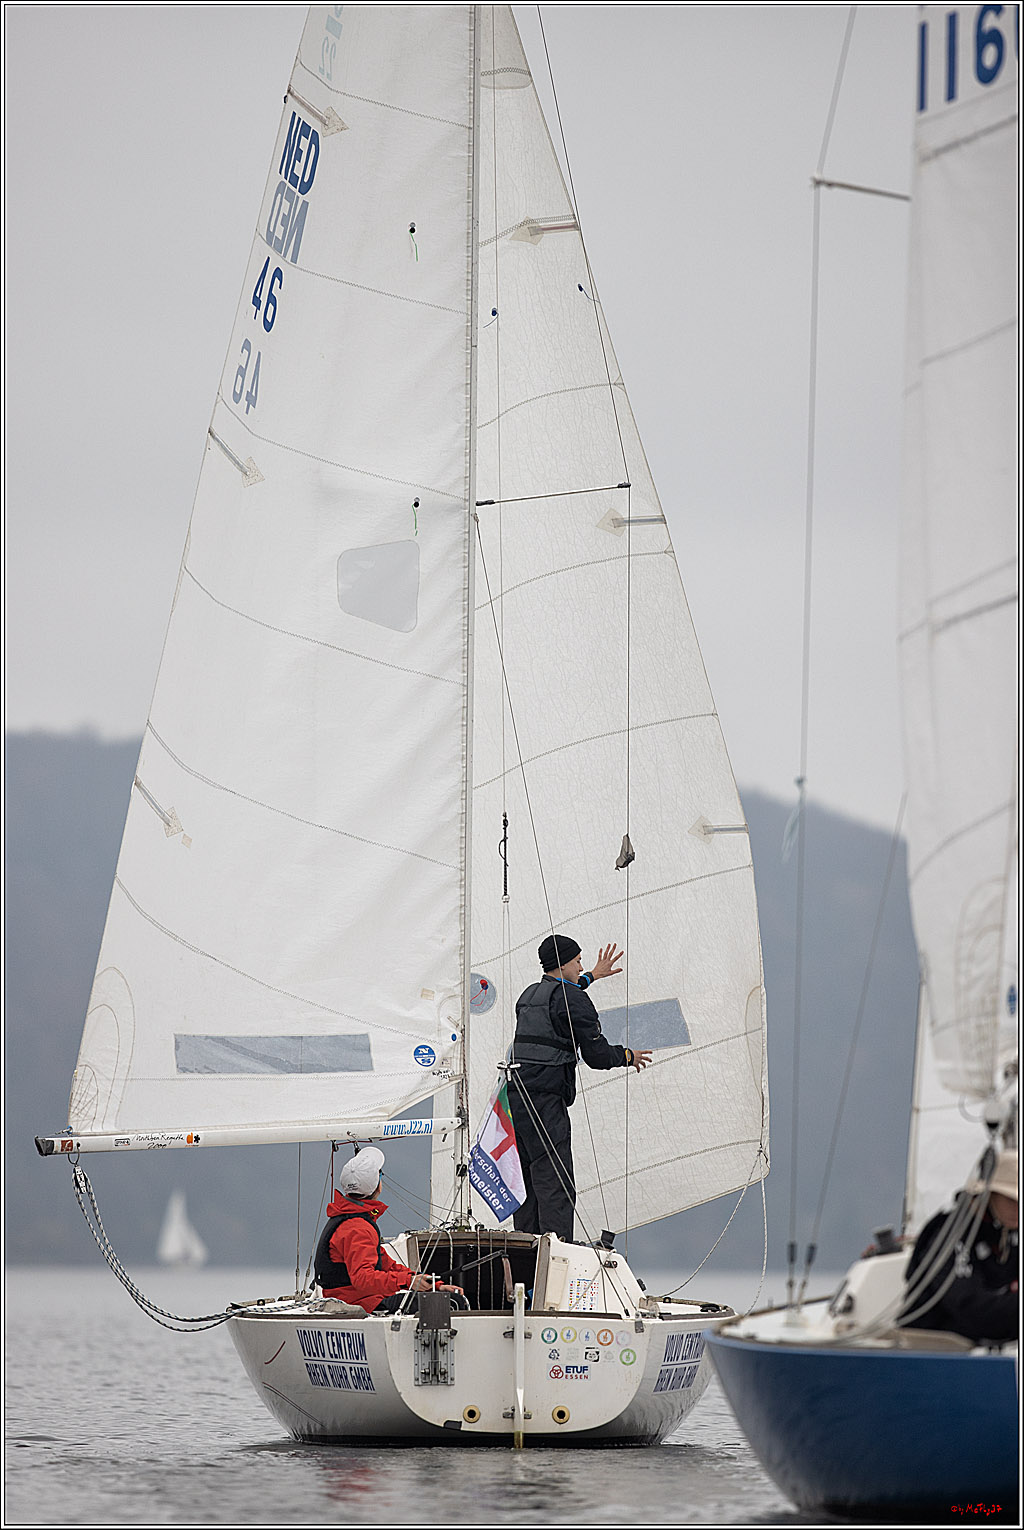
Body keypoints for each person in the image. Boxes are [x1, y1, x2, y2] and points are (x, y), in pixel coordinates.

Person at [507, 933, 651, 1243]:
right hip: (545, 1102)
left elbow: (561, 998)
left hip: (516, 1100)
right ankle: (557, 1256)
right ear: (563, 963)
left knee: (528, 1180)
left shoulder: (529, 996)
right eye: (578, 961)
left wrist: (592, 976)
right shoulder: (573, 1000)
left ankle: (526, 1256)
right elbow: (596, 1056)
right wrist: (628, 1056)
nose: (581, 965)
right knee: (554, 1181)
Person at [314, 1147, 462, 1312]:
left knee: (441, 1298)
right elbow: (363, 1280)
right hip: (362, 1305)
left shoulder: (348, 1218)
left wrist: (433, 1285)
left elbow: (386, 1264)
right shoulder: (358, 1228)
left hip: (355, 1300)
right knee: (454, 1303)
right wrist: (408, 1282)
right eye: (380, 1175)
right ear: (377, 1187)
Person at [900, 1148, 1018, 1344]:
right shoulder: (950, 1232)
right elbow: (970, 1307)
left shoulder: (1009, 1233)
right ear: (989, 1194)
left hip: (992, 1346)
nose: (1018, 1208)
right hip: (935, 1347)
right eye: (1011, 1200)